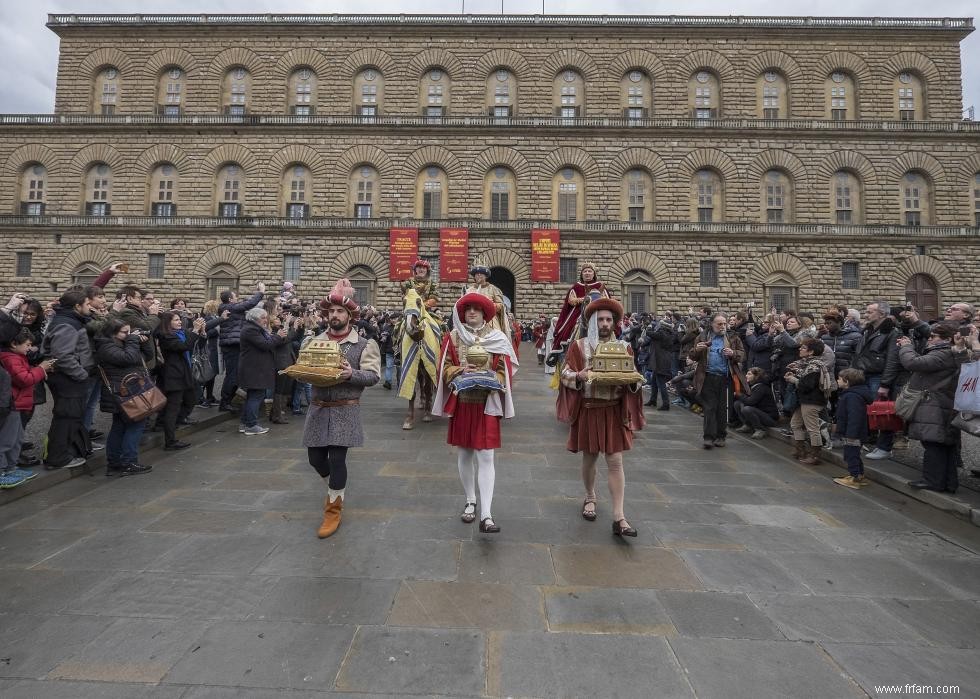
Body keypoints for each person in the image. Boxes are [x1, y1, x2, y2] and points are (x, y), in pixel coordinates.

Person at [558, 297, 645, 537]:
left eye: (609, 319)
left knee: (615, 461)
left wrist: (635, 383)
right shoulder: (579, 346)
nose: (605, 323)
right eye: (601, 320)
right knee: (590, 458)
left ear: (615, 322)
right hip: (588, 408)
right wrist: (579, 375)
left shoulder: (625, 347)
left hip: (614, 410)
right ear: (593, 322)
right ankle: (590, 496)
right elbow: (564, 372)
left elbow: (633, 375)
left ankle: (619, 517)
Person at [433, 293, 516, 533]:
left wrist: (493, 379)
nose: (471, 312)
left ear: (484, 313)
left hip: (486, 403)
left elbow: (505, 369)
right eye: (467, 309)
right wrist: (460, 370)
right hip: (463, 402)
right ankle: (471, 500)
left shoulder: (497, 338)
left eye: (476, 309)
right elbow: (444, 367)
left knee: (487, 456)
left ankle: (486, 514)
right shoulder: (454, 337)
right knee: (465, 453)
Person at [304, 279, 381, 538]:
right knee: (315, 459)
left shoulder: (364, 344)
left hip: (344, 410)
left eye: (340, 312)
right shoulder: (316, 341)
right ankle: (337, 488)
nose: (334, 315)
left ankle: (333, 509)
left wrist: (351, 374)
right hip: (317, 409)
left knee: (337, 460)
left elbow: (372, 376)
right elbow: (304, 368)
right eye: (331, 312)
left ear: (349, 316)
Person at [899, 324, 971, 493]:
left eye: (934, 336)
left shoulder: (943, 353)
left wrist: (906, 347)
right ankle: (948, 482)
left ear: (946, 339)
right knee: (943, 444)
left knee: (933, 442)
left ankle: (933, 481)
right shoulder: (952, 352)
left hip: (935, 403)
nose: (929, 338)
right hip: (943, 402)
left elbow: (912, 363)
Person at [41, 290, 94, 470]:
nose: (90, 306)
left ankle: (64, 452)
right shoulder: (67, 324)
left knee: (69, 416)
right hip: (67, 379)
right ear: (77, 306)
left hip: (69, 378)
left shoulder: (71, 320)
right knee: (66, 417)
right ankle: (58, 458)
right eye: (87, 304)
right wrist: (81, 374)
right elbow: (62, 356)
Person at [95, 319, 152, 476]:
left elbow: (146, 357)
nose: (128, 335)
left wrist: (143, 342)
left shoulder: (122, 343)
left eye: (129, 332)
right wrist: (133, 340)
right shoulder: (106, 346)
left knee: (120, 426)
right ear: (112, 333)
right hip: (123, 393)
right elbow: (129, 359)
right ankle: (128, 462)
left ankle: (115, 464)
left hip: (130, 391)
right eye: (124, 332)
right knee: (136, 424)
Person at [0, 329, 52, 483]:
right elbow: (24, 379)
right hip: (13, 405)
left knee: (16, 439)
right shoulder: (11, 359)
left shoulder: (18, 356)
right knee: (7, 440)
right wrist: (41, 369)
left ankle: (11, 468)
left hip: (19, 405)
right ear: (13, 344)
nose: (30, 348)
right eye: (27, 344)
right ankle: (2, 471)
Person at [689, 313, 746, 449]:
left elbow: (742, 354)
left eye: (724, 323)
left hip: (726, 378)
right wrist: (697, 350)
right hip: (708, 376)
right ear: (712, 324)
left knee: (722, 409)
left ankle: (721, 436)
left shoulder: (733, 337)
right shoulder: (702, 337)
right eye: (719, 324)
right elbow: (692, 355)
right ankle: (708, 437)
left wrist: (733, 354)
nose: (722, 326)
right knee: (709, 408)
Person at [852, 300, 901, 460]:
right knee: (865, 411)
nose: (866, 315)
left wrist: (885, 384)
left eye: (870, 312)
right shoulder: (867, 331)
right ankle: (866, 442)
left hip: (878, 377)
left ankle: (884, 447)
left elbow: (892, 360)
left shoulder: (892, 333)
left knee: (883, 412)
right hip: (863, 375)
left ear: (882, 313)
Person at [157, 311, 207, 450]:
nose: (180, 322)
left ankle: (170, 424)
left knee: (191, 400)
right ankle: (170, 439)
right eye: (176, 320)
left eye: (180, 320)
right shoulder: (166, 336)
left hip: (184, 373)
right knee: (172, 407)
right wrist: (195, 330)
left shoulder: (181, 333)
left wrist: (201, 332)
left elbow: (197, 343)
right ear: (168, 323)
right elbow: (184, 346)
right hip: (173, 376)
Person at [237, 306, 286, 436]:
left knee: (252, 397)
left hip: (255, 369)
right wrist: (278, 337)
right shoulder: (251, 330)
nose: (266, 320)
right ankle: (251, 425)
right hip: (254, 369)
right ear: (255, 319)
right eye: (263, 318)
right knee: (256, 397)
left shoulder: (255, 329)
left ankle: (245, 423)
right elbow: (266, 345)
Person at [217, 282, 266, 412]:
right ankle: (225, 402)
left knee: (236, 374)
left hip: (234, 344)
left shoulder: (230, 307)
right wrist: (260, 292)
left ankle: (228, 400)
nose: (237, 298)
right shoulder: (229, 307)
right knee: (232, 375)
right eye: (235, 297)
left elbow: (246, 304)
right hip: (231, 345)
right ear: (230, 299)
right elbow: (248, 304)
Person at [397, 287, 441, 430]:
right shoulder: (410, 282)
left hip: (425, 312)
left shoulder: (430, 284)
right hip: (410, 312)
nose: (420, 270)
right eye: (418, 269)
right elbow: (405, 296)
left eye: (423, 268)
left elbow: (435, 297)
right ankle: (398, 350)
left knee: (439, 326)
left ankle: (438, 351)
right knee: (397, 328)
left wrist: (424, 303)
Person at [784, 337, 831, 465]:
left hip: (812, 401)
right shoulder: (808, 364)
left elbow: (807, 385)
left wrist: (794, 379)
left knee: (812, 428)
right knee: (795, 423)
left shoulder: (814, 366)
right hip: (804, 400)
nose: (800, 349)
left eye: (803, 348)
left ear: (811, 352)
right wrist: (796, 371)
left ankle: (815, 455)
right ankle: (800, 449)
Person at [549, 263, 609, 360]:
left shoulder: (599, 285)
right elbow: (571, 300)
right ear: (581, 274)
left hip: (597, 310)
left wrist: (594, 300)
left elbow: (606, 299)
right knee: (569, 328)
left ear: (594, 274)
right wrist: (584, 300)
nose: (587, 273)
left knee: (607, 325)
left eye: (590, 271)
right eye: (585, 271)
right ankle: (564, 353)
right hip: (578, 311)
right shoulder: (576, 286)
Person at [832, 368, 873, 489]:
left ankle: (854, 477)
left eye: (839, 379)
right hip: (854, 431)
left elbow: (854, 416)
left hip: (853, 433)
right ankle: (859, 475)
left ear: (847, 381)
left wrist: (851, 434)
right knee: (854, 454)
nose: (837, 380)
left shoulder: (852, 396)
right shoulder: (853, 394)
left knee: (850, 455)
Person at [640, 312, 675, 410]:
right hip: (663, 359)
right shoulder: (670, 334)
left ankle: (666, 404)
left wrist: (650, 326)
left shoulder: (661, 333)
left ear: (663, 326)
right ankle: (653, 400)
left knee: (661, 383)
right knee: (655, 382)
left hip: (660, 360)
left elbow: (650, 333)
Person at [733, 367, 780, 439]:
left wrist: (739, 395)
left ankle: (760, 429)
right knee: (737, 404)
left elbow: (750, 402)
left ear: (756, 376)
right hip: (761, 414)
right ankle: (747, 425)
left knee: (747, 409)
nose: (746, 376)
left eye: (749, 374)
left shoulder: (761, 387)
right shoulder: (755, 386)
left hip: (770, 418)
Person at [465, 264, 510, 335]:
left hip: (490, 320)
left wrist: (492, 305)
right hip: (473, 318)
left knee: (495, 337)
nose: (479, 275)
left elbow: (501, 305)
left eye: (481, 273)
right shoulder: (469, 290)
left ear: (485, 276)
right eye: (477, 274)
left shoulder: (493, 289)